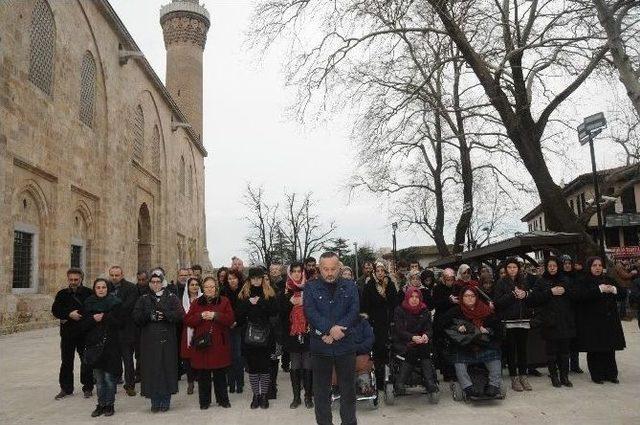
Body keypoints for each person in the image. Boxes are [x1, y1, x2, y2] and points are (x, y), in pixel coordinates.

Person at [304, 252, 359, 425]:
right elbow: (310, 312)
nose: (329, 273)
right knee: (321, 392)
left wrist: (337, 331)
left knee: (348, 391)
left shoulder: (350, 286)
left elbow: (354, 311)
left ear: (339, 268)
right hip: (321, 346)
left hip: (346, 345)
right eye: (325, 269)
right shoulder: (311, 287)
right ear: (319, 269)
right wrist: (329, 329)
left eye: (333, 269)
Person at [133, 272, 185, 412]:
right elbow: (136, 317)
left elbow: (180, 315)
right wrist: (149, 316)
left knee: (166, 369)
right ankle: (155, 402)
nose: (155, 284)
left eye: (158, 281)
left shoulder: (172, 297)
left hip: (167, 340)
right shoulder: (143, 298)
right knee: (152, 370)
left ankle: (165, 401)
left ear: (162, 283)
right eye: (153, 282)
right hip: (149, 342)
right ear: (150, 284)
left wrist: (166, 315)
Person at [442, 287, 503, 399]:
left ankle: (494, 384)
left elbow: (498, 328)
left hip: (484, 344)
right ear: (461, 298)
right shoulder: (455, 311)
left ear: (476, 297)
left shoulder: (486, 310)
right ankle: (467, 387)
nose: (469, 298)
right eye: (466, 296)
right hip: (465, 345)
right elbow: (443, 325)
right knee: (458, 360)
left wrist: (488, 330)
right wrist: (457, 327)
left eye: (472, 296)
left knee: (495, 355)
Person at [184, 277, 235, 409]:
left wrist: (215, 316)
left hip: (219, 344)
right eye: (207, 287)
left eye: (212, 287)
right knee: (203, 375)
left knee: (220, 374)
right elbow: (188, 320)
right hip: (202, 345)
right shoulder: (196, 303)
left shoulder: (224, 301)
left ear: (216, 288)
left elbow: (230, 319)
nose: (209, 289)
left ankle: (223, 400)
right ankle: (204, 402)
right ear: (203, 288)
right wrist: (200, 316)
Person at [574, 256, 626, 384]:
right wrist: (599, 289)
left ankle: (611, 374)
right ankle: (597, 375)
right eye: (594, 265)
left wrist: (614, 290)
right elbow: (580, 296)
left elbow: (623, 294)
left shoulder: (609, 279)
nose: (597, 268)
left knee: (609, 348)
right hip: (592, 322)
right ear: (589, 267)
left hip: (609, 321)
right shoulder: (583, 280)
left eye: (599, 265)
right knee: (595, 349)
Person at [235, 267, 279, 409]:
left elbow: (274, 311)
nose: (256, 281)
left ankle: (264, 395)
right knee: (253, 368)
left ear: (262, 279)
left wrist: (260, 302)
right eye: (253, 278)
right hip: (249, 336)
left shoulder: (269, 292)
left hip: (266, 335)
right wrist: (249, 303)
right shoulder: (243, 294)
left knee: (265, 367)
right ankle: (256, 395)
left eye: (259, 278)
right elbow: (238, 315)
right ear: (249, 279)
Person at [530, 257, 576, 388]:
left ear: (558, 266)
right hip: (549, 322)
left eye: (554, 265)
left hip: (565, 321)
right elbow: (534, 299)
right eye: (549, 265)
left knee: (565, 351)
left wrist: (566, 291)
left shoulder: (566, 280)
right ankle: (554, 376)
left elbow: (575, 296)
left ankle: (564, 376)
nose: (552, 268)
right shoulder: (541, 281)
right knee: (551, 352)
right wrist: (550, 292)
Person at [51, 268, 94, 399]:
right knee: (66, 362)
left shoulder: (89, 293)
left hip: (84, 333)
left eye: (76, 279)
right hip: (67, 334)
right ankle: (66, 388)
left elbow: (91, 309)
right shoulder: (62, 294)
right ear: (68, 279)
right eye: (71, 280)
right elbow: (56, 310)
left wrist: (78, 314)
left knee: (85, 361)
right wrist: (69, 314)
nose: (74, 282)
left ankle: (88, 387)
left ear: (81, 279)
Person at [82, 278, 123, 417]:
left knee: (109, 379)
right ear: (94, 289)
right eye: (98, 287)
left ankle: (110, 405)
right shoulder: (88, 303)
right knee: (99, 380)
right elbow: (83, 325)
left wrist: (105, 317)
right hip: (95, 345)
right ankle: (101, 404)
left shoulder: (115, 303)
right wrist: (93, 319)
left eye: (103, 287)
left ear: (107, 289)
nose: (101, 290)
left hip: (111, 345)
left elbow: (120, 323)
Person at [494, 257, 534, 392]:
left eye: (515, 267)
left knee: (523, 350)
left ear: (518, 269)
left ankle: (523, 376)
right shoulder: (501, 282)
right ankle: (514, 378)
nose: (512, 270)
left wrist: (526, 294)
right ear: (506, 269)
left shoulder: (524, 281)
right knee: (511, 351)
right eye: (510, 267)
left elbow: (532, 297)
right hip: (509, 321)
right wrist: (512, 295)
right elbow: (497, 302)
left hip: (523, 320)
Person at [392, 287, 438, 395]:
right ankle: (400, 382)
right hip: (403, 341)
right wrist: (412, 337)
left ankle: (429, 381)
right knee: (413, 350)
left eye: (417, 297)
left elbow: (429, 328)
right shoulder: (399, 310)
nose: (414, 299)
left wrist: (426, 335)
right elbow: (399, 330)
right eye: (412, 297)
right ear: (407, 297)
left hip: (421, 342)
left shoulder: (424, 311)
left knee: (423, 348)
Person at [280, 262, 313, 409]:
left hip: (307, 332)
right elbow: (279, 312)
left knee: (307, 365)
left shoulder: (310, 288)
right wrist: (290, 302)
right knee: (295, 366)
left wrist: (304, 303)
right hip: (292, 333)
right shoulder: (286, 290)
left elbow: (316, 309)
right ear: (290, 273)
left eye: (299, 271)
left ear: (303, 272)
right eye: (293, 271)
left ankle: (308, 396)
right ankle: (296, 397)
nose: (297, 274)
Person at [361, 261, 398, 391]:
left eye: (382, 270)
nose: (380, 273)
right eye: (378, 271)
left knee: (391, 352)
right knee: (379, 353)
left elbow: (395, 303)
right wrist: (368, 322)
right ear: (374, 272)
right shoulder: (369, 285)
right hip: (376, 324)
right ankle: (380, 381)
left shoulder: (390, 284)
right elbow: (365, 306)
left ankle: (393, 379)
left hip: (390, 322)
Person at [108, 265, 139, 396]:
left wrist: (110, 312)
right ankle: (114, 382)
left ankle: (130, 385)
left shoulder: (131, 288)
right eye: (112, 275)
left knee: (127, 359)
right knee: (113, 359)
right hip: (111, 330)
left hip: (126, 329)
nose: (114, 278)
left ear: (122, 275)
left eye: (117, 275)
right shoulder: (105, 286)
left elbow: (128, 307)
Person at [431, 268, 459, 382]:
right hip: (441, 320)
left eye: (451, 279)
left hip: (454, 320)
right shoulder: (437, 288)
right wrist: (448, 300)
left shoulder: (456, 288)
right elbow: (435, 304)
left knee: (454, 346)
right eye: (447, 279)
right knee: (443, 348)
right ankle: (446, 372)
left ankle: (454, 371)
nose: (450, 281)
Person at [221, 269, 245, 394]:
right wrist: (228, 321)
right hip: (226, 327)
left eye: (234, 278)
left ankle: (240, 383)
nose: (232, 281)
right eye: (229, 279)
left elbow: (244, 309)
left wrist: (237, 321)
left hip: (239, 327)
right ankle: (230, 383)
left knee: (238, 356)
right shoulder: (223, 292)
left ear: (238, 279)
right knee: (228, 355)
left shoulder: (244, 290)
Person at [180, 277, 202, 395]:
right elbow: (183, 315)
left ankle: (200, 379)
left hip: (200, 330)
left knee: (200, 354)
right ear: (188, 287)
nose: (194, 286)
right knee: (187, 357)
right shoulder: (183, 300)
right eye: (192, 284)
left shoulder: (203, 299)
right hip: (187, 331)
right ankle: (190, 382)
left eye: (196, 284)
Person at [134, 270, 150, 382]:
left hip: (148, 325)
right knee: (139, 352)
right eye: (139, 280)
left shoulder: (151, 290)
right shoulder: (134, 290)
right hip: (137, 325)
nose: (141, 282)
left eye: (143, 280)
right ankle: (139, 373)